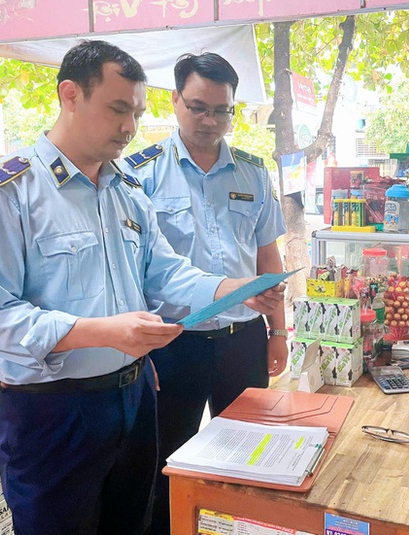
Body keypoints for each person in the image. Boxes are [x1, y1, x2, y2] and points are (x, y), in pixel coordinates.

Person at [0, 41, 283, 535]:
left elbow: (166, 272)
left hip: (133, 401)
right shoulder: (5, 193)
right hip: (54, 413)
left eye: (137, 112)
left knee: (137, 522)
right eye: (118, 109)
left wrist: (232, 288)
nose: (130, 127)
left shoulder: (125, 192)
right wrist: (100, 332)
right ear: (70, 95)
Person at [121, 52, 287, 535]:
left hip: (243, 339)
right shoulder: (140, 173)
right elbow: (129, 271)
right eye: (198, 107)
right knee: (167, 460)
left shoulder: (253, 173)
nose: (210, 121)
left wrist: (277, 333)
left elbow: (267, 260)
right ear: (173, 101)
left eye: (222, 110)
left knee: (252, 453)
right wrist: (138, 351)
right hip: (172, 342)